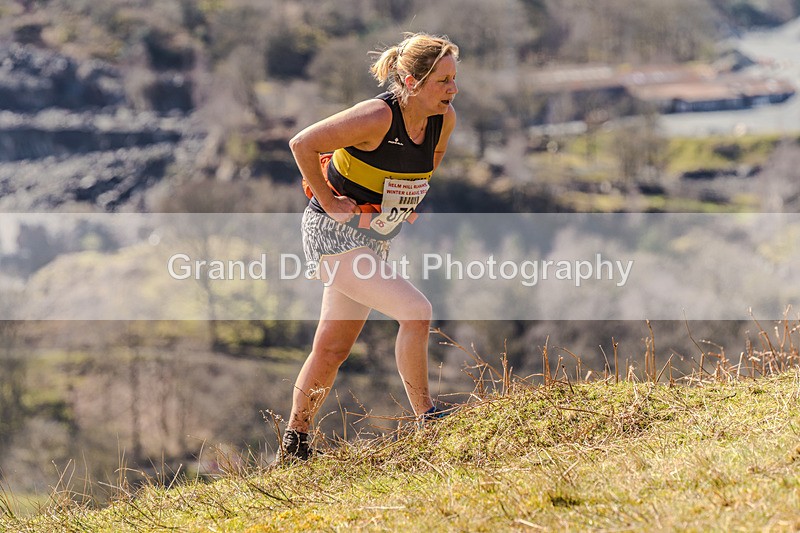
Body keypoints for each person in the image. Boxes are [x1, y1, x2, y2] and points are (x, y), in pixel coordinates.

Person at [281, 32, 459, 461]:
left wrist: (398, 206)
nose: (452, 90)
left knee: (331, 349)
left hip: (374, 240)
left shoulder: (444, 119)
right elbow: (302, 144)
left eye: (454, 79)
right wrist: (328, 199)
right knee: (416, 312)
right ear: (412, 82)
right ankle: (427, 419)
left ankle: (294, 443)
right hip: (332, 232)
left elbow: (418, 174)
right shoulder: (376, 116)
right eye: (443, 81)